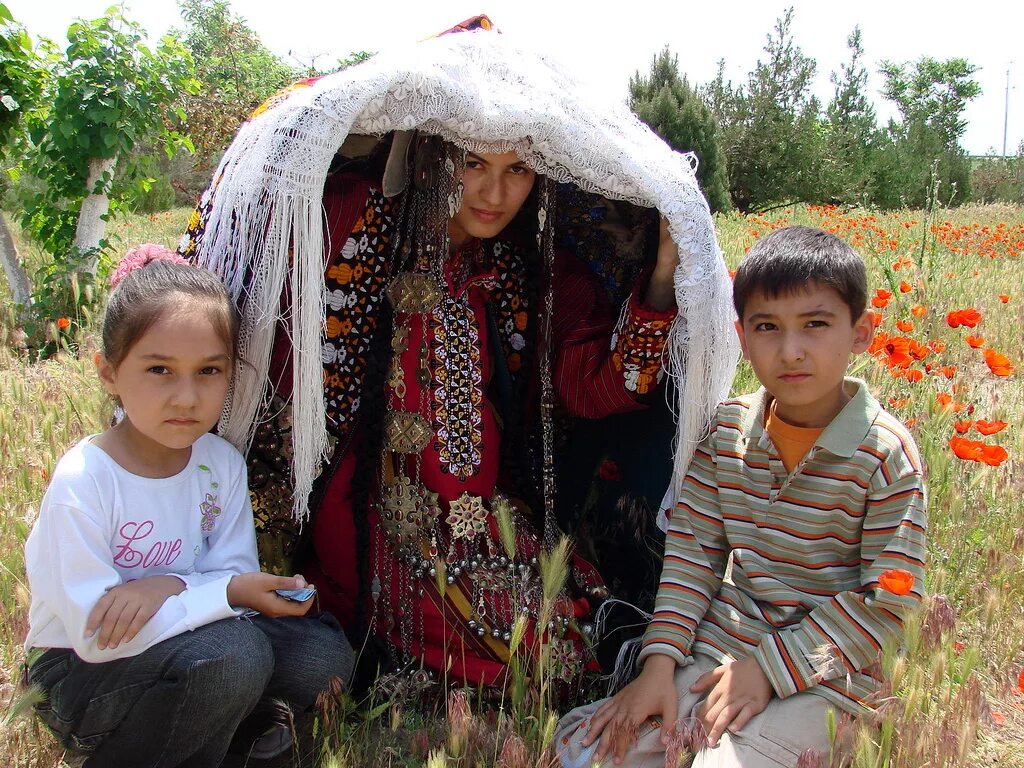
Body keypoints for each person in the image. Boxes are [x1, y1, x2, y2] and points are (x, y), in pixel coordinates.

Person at [181, 19, 739, 694]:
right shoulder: (353, 220)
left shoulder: (524, 269)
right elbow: (253, 308)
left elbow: (590, 387)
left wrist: (659, 281)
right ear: (433, 155)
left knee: (584, 618)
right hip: (365, 513)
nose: (495, 195)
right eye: (473, 164)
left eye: (518, 170)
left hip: (482, 515)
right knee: (532, 653)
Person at [555, 226, 928, 767]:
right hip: (723, 650)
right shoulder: (727, 431)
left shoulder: (884, 455)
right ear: (743, 336)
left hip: (831, 677)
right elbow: (693, 555)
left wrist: (769, 670)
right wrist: (660, 662)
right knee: (586, 750)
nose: (791, 350)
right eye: (768, 328)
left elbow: (888, 604)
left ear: (862, 332)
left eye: (816, 325)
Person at [23, 246, 354, 768]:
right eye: (159, 369)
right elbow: (98, 636)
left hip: (196, 641)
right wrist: (214, 594)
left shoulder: (218, 463)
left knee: (322, 657)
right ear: (108, 372)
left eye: (208, 371)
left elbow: (233, 582)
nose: (186, 397)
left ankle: (225, 727)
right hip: (80, 670)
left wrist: (171, 586)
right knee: (235, 658)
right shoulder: (85, 482)